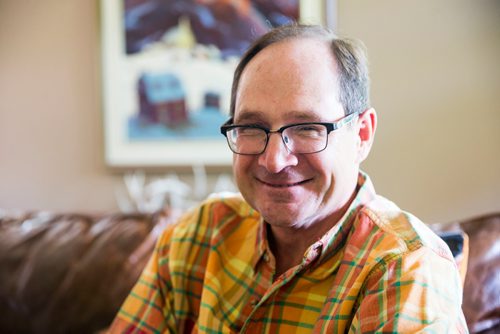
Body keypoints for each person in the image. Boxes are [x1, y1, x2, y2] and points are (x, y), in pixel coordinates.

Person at [110, 24, 468, 333]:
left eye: (308, 128)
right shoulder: (198, 236)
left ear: (362, 134)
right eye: (252, 127)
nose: (274, 160)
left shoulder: (405, 268)